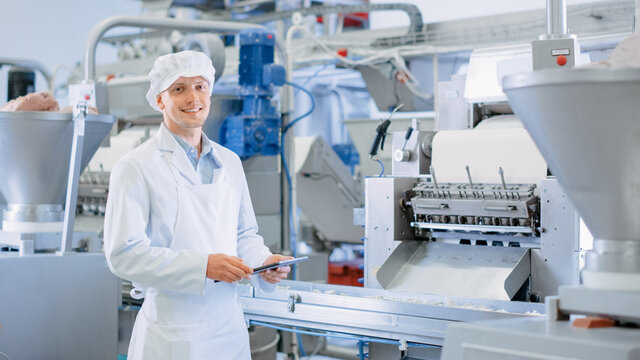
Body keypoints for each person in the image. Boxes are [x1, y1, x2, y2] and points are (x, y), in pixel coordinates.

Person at [104, 50, 291, 360]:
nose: (193, 97)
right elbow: (123, 255)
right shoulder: (135, 166)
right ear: (160, 100)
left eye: (201, 86)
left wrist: (264, 263)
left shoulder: (229, 162)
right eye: (179, 88)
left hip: (228, 329)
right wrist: (203, 266)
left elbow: (243, 234)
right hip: (170, 334)